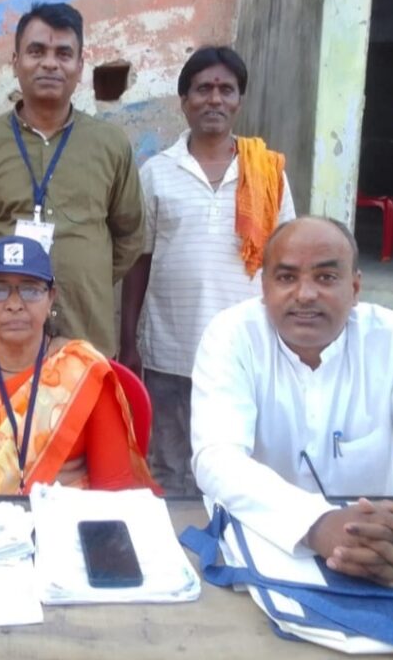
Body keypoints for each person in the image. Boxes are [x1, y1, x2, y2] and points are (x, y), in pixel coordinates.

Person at [191, 216, 393, 585]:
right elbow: (216, 457)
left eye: (326, 277)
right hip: (264, 537)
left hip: (388, 549)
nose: (305, 294)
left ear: (355, 287)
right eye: (286, 277)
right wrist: (316, 524)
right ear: (264, 287)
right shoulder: (232, 336)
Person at [120, 46, 295, 495]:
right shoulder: (157, 172)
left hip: (245, 348)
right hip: (171, 350)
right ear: (184, 101)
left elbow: (286, 261)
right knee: (170, 468)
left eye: (226, 90)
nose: (214, 99)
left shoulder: (267, 173)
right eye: (203, 89)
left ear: (239, 101)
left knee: (238, 466)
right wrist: (129, 340)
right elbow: (140, 260)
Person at [0, 2, 144, 357]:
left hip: (86, 333)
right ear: (15, 62)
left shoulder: (111, 144)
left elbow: (130, 235)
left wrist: (88, 275)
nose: (50, 63)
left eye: (63, 54)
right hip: (5, 337)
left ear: (80, 66)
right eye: (37, 51)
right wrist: (10, 277)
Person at [0, 236, 157, 495]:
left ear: (51, 298)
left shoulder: (83, 369)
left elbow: (115, 491)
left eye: (31, 290)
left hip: (66, 518)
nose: (14, 305)